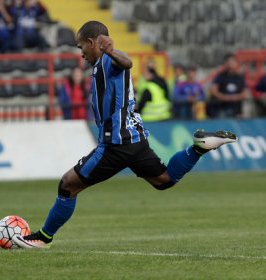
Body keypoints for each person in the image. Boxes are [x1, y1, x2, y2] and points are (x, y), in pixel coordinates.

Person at [13, 21, 237, 249]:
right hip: (135, 140)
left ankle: (43, 237)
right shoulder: (101, 65)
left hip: (116, 143)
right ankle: (198, 147)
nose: (81, 54)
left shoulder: (107, 60)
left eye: (82, 47)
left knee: (68, 185)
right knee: (164, 180)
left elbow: (127, 62)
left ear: (92, 43)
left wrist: (109, 51)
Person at [208, 54, 248, 118]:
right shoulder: (220, 76)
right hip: (222, 109)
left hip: (237, 110)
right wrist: (224, 97)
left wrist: (234, 98)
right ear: (225, 63)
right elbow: (213, 90)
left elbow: (245, 93)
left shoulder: (240, 77)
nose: (230, 64)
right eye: (228, 62)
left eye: (232, 61)